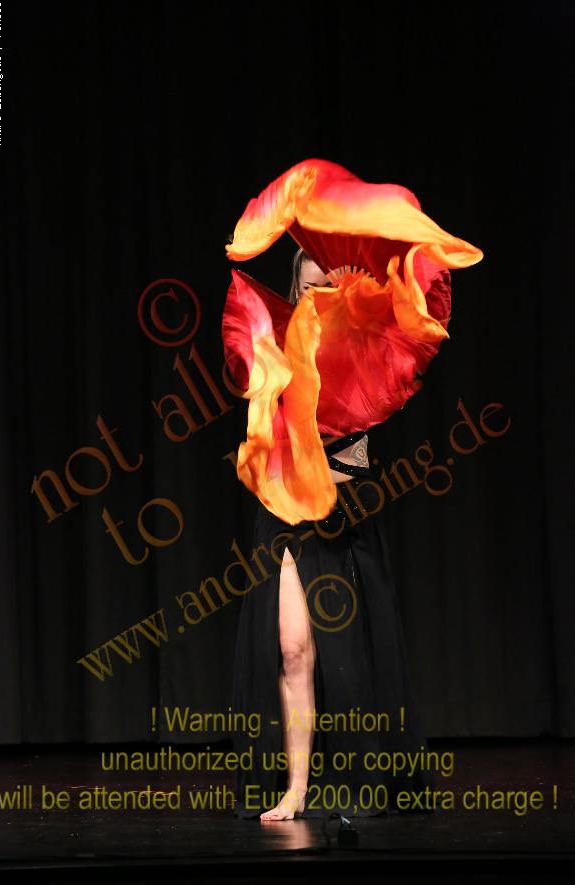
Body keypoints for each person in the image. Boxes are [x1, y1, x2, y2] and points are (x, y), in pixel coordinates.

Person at [230, 248, 437, 821]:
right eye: (309, 287)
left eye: (329, 286)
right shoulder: (279, 345)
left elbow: (364, 432)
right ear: (295, 291)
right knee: (292, 648)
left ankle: (363, 779)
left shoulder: (364, 347)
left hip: (343, 509)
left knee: (348, 649)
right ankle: (295, 788)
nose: (318, 296)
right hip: (284, 508)